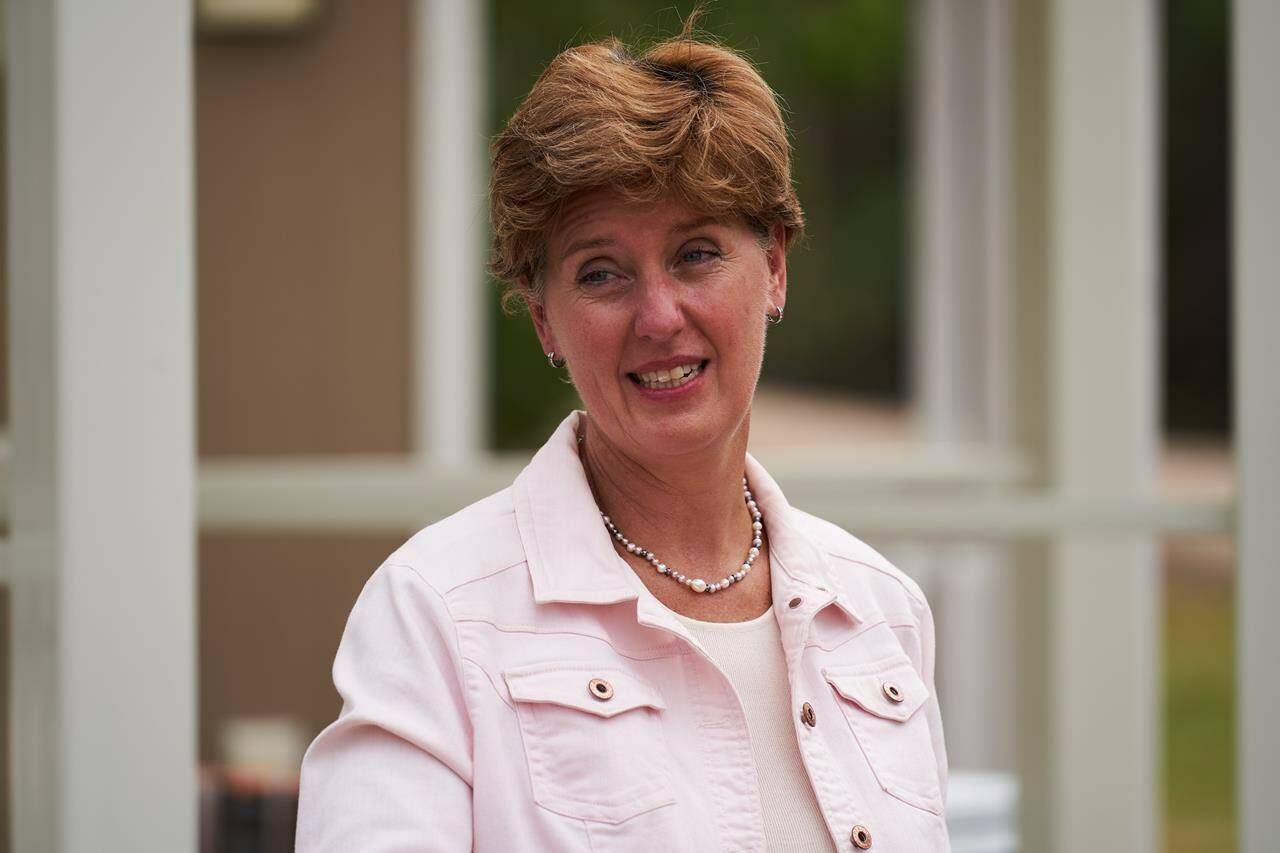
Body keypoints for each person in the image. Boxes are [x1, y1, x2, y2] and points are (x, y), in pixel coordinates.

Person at [297, 23, 949, 853]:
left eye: (697, 253)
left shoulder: (879, 610)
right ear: (545, 320)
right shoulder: (437, 611)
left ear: (775, 267)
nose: (659, 317)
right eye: (601, 272)